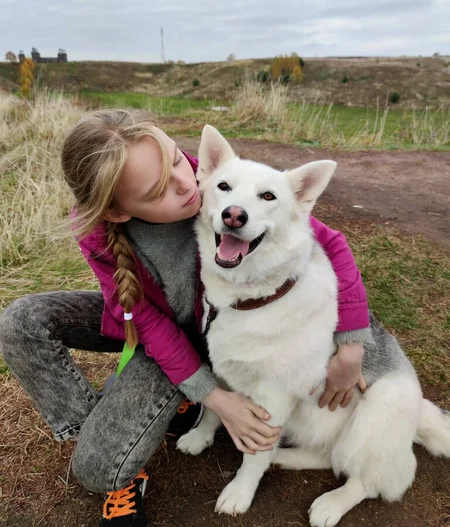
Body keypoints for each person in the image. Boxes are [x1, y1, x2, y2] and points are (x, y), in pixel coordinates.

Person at [0, 110, 372, 526]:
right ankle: (95, 431)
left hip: (212, 333)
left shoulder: (218, 183)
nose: (186, 184)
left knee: (97, 470)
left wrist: (352, 342)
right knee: (21, 320)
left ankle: (130, 430)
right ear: (119, 212)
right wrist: (212, 394)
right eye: (158, 189)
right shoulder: (97, 228)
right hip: (157, 331)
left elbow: (329, 242)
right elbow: (142, 317)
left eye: (177, 158)